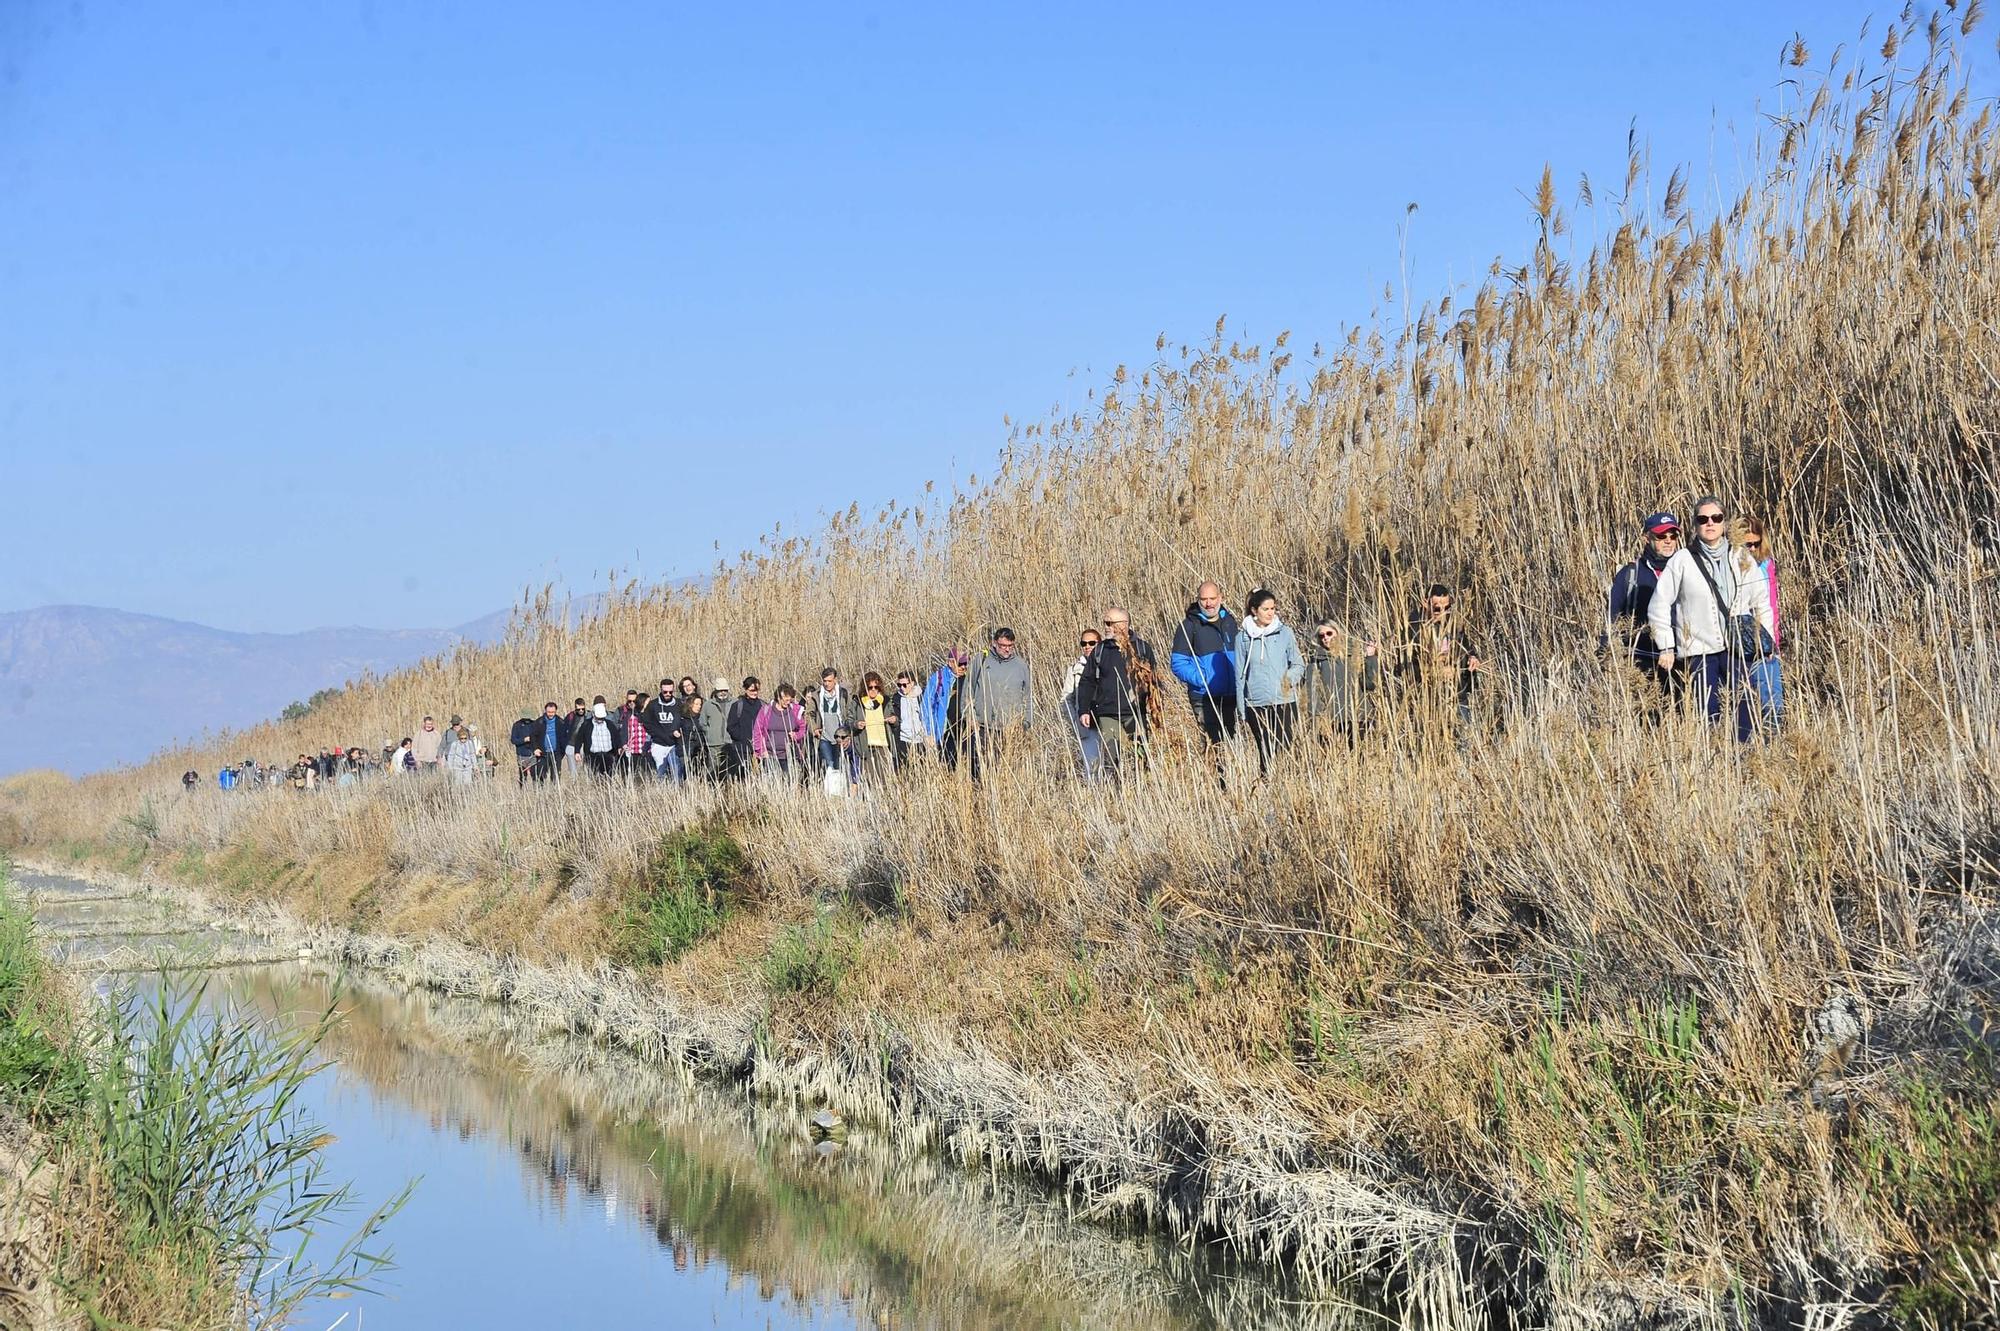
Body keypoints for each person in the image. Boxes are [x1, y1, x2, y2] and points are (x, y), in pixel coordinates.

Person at [1646, 495, 1774, 742]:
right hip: (1699, 651)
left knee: (1744, 707)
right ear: (1695, 525)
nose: (1710, 523)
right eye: (1702, 519)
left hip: (1737, 648)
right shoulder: (1682, 560)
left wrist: (1764, 640)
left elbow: (1761, 601)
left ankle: (1744, 760)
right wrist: (1666, 646)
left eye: (1716, 518)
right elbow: (1659, 604)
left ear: (1725, 523)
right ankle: (1713, 765)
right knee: (1707, 714)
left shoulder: (1741, 557)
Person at [1604, 513, 1682, 704]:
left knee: (1683, 716)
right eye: (1661, 536)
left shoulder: (1684, 570)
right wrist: (1606, 652)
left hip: (1679, 659)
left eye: (1673, 536)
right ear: (1646, 538)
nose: (1668, 541)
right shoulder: (1630, 574)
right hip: (1642, 658)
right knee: (1648, 717)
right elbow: (1612, 615)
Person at [1075, 608, 1157, 778]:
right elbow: (1087, 681)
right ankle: (1117, 794)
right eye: (1105, 622)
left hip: (1135, 713)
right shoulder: (1100, 651)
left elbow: (1153, 680)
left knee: (1141, 757)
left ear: (1123, 625)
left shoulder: (1142, 648)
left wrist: (1156, 707)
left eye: (1109, 623)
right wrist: (1083, 710)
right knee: (1112, 760)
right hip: (1108, 714)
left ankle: (1144, 790)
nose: (1105, 627)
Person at [1235, 588, 1305, 776]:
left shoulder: (1285, 633)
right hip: (1256, 703)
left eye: (1273, 608)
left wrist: (1288, 679)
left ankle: (1289, 784)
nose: (1270, 613)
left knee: (1284, 747)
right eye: (1266, 609)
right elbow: (1240, 675)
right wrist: (1242, 710)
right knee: (1265, 749)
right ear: (1254, 610)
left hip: (1284, 700)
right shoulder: (1242, 638)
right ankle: (1267, 786)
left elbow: (1299, 663)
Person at [1399, 584, 1484, 733]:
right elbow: (1406, 666)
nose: (1443, 612)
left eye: (1447, 607)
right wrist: (1435, 671)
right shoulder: (1413, 629)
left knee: (1465, 733)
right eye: (1438, 609)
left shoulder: (1453, 624)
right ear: (1425, 603)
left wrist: (1472, 657)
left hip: (1457, 692)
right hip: (1428, 699)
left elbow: (1466, 647)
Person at [1170, 583, 1239, 750]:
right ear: (1198, 600)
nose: (1209, 604)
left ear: (1220, 598)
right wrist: (1203, 679)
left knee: (1231, 744)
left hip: (1231, 696)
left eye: (1212, 598)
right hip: (1204, 697)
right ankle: (1215, 775)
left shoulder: (1230, 622)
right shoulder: (1189, 626)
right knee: (1212, 745)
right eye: (1204, 599)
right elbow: (1178, 663)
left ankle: (1230, 775)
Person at [965, 628, 1031, 780]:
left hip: (1011, 729)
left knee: (1008, 771)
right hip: (984, 727)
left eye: (1010, 645)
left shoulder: (1021, 666)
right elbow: (968, 689)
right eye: (1003, 645)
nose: (1007, 649)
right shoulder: (981, 660)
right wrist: (969, 715)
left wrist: (1026, 723)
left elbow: (1027, 695)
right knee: (981, 771)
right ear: (994, 643)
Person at [1302, 621, 1380, 746]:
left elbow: (1369, 685)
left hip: (1360, 716)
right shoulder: (1316, 662)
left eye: (1329, 633)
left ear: (1337, 633)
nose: (1325, 638)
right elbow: (1312, 694)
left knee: (1361, 757)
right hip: (1334, 720)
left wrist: (1370, 657)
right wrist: (1319, 719)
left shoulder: (1353, 655)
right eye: (1321, 636)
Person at [1741, 517, 1785, 731]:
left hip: (1765, 641)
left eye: (1755, 544)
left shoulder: (1766, 565)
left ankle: (1773, 739)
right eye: (1746, 544)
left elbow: (1770, 605)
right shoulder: (1732, 565)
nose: (1751, 549)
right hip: (1740, 642)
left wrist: (1771, 641)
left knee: (1772, 697)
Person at [1061, 628, 1104, 780]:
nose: (1087, 646)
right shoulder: (1074, 670)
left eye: (1092, 642)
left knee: (1109, 766)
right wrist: (1076, 721)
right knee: (1091, 768)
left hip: (1106, 722)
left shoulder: (1108, 665)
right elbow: (1066, 700)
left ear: (1099, 644)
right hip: (1087, 727)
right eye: (1084, 643)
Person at [807, 668, 860, 787]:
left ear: (835, 680)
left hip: (840, 737)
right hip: (824, 737)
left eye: (829, 681)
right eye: (824, 681)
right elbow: (809, 714)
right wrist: (814, 728)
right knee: (830, 766)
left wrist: (848, 733)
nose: (827, 684)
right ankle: (831, 791)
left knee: (840, 764)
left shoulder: (843, 694)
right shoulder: (817, 695)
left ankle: (841, 789)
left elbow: (849, 713)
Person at [923, 649, 969, 770]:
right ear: (950, 663)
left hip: (961, 729)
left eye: (965, 664)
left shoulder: (968, 680)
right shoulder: (938, 679)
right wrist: (929, 732)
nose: (963, 667)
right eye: (960, 664)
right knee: (944, 764)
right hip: (942, 730)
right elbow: (927, 705)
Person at [752, 684, 808, 779]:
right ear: (778, 697)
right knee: (772, 781)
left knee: (788, 780)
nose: (788, 702)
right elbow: (757, 731)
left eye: (789, 700)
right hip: (769, 754)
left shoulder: (794, 710)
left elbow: (803, 727)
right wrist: (761, 750)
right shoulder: (766, 710)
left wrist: (797, 735)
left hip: (788, 755)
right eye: (786, 700)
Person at [642, 681, 687, 780]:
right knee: (661, 773)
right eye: (665, 692)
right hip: (659, 744)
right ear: (661, 690)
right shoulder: (653, 705)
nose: (668, 694)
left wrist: (680, 732)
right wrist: (657, 734)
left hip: (674, 744)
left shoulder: (679, 704)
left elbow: (685, 721)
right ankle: (662, 792)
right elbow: (646, 722)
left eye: (670, 692)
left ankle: (676, 793)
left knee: (677, 772)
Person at [856, 672, 895, 786]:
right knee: (868, 778)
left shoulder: (886, 701)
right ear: (865, 688)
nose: (873, 690)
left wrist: (894, 720)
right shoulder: (858, 702)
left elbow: (895, 718)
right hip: (866, 745)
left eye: (876, 687)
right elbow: (850, 720)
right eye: (870, 687)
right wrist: (856, 724)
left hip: (883, 744)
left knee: (884, 778)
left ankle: (884, 801)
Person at [888, 671, 931, 770]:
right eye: (899, 685)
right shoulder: (896, 698)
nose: (902, 688)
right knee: (904, 769)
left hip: (919, 739)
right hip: (903, 739)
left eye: (904, 685)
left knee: (921, 768)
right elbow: (894, 716)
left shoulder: (922, 696)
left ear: (912, 683)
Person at [726, 677, 767, 777]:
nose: (755, 693)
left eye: (757, 690)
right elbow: (731, 727)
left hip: (760, 748)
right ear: (745, 689)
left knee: (760, 775)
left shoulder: (763, 705)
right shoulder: (737, 705)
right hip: (742, 748)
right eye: (752, 690)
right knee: (743, 776)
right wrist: (743, 738)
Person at [573, 697, 623, 777]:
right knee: (595, 778)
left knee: (610, 777)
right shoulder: (586, 725)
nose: (600, 719)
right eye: (598, 717)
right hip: (593, 757)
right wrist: (577, 752)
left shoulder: (609, 724)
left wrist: (619, 747)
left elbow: (616, 737)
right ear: (593, 714)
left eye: (601, 718)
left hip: (609, 755)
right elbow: (579, 738)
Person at [699, 678, 736, 781]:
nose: (723, 692)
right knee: (713, 769)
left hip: (730, 742)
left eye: (725, 690)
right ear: (715, 690)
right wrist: (710, 733)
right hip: (713, 744)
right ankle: (713, 789)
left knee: (730, 769)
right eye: (720, 690)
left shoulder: (735, 703)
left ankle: (729, 790)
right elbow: (702, 723)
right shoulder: (708, 705)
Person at [620, 689, 651, 781]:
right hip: (633, 749)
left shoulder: (650, 715)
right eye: (647, 702)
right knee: (632, 773)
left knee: (647, 773)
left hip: (647, 749)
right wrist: (624, 743)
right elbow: (624, 731)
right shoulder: (630, 716)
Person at [509, 711, 541, 786]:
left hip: (533, 753)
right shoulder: (517, 725)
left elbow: (539, 737)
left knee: (535, 774)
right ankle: (522, 791)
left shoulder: (535, 724)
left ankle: (536, 791)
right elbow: (513, 740)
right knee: (523, 775)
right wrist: (524, 740)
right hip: (521, 754)